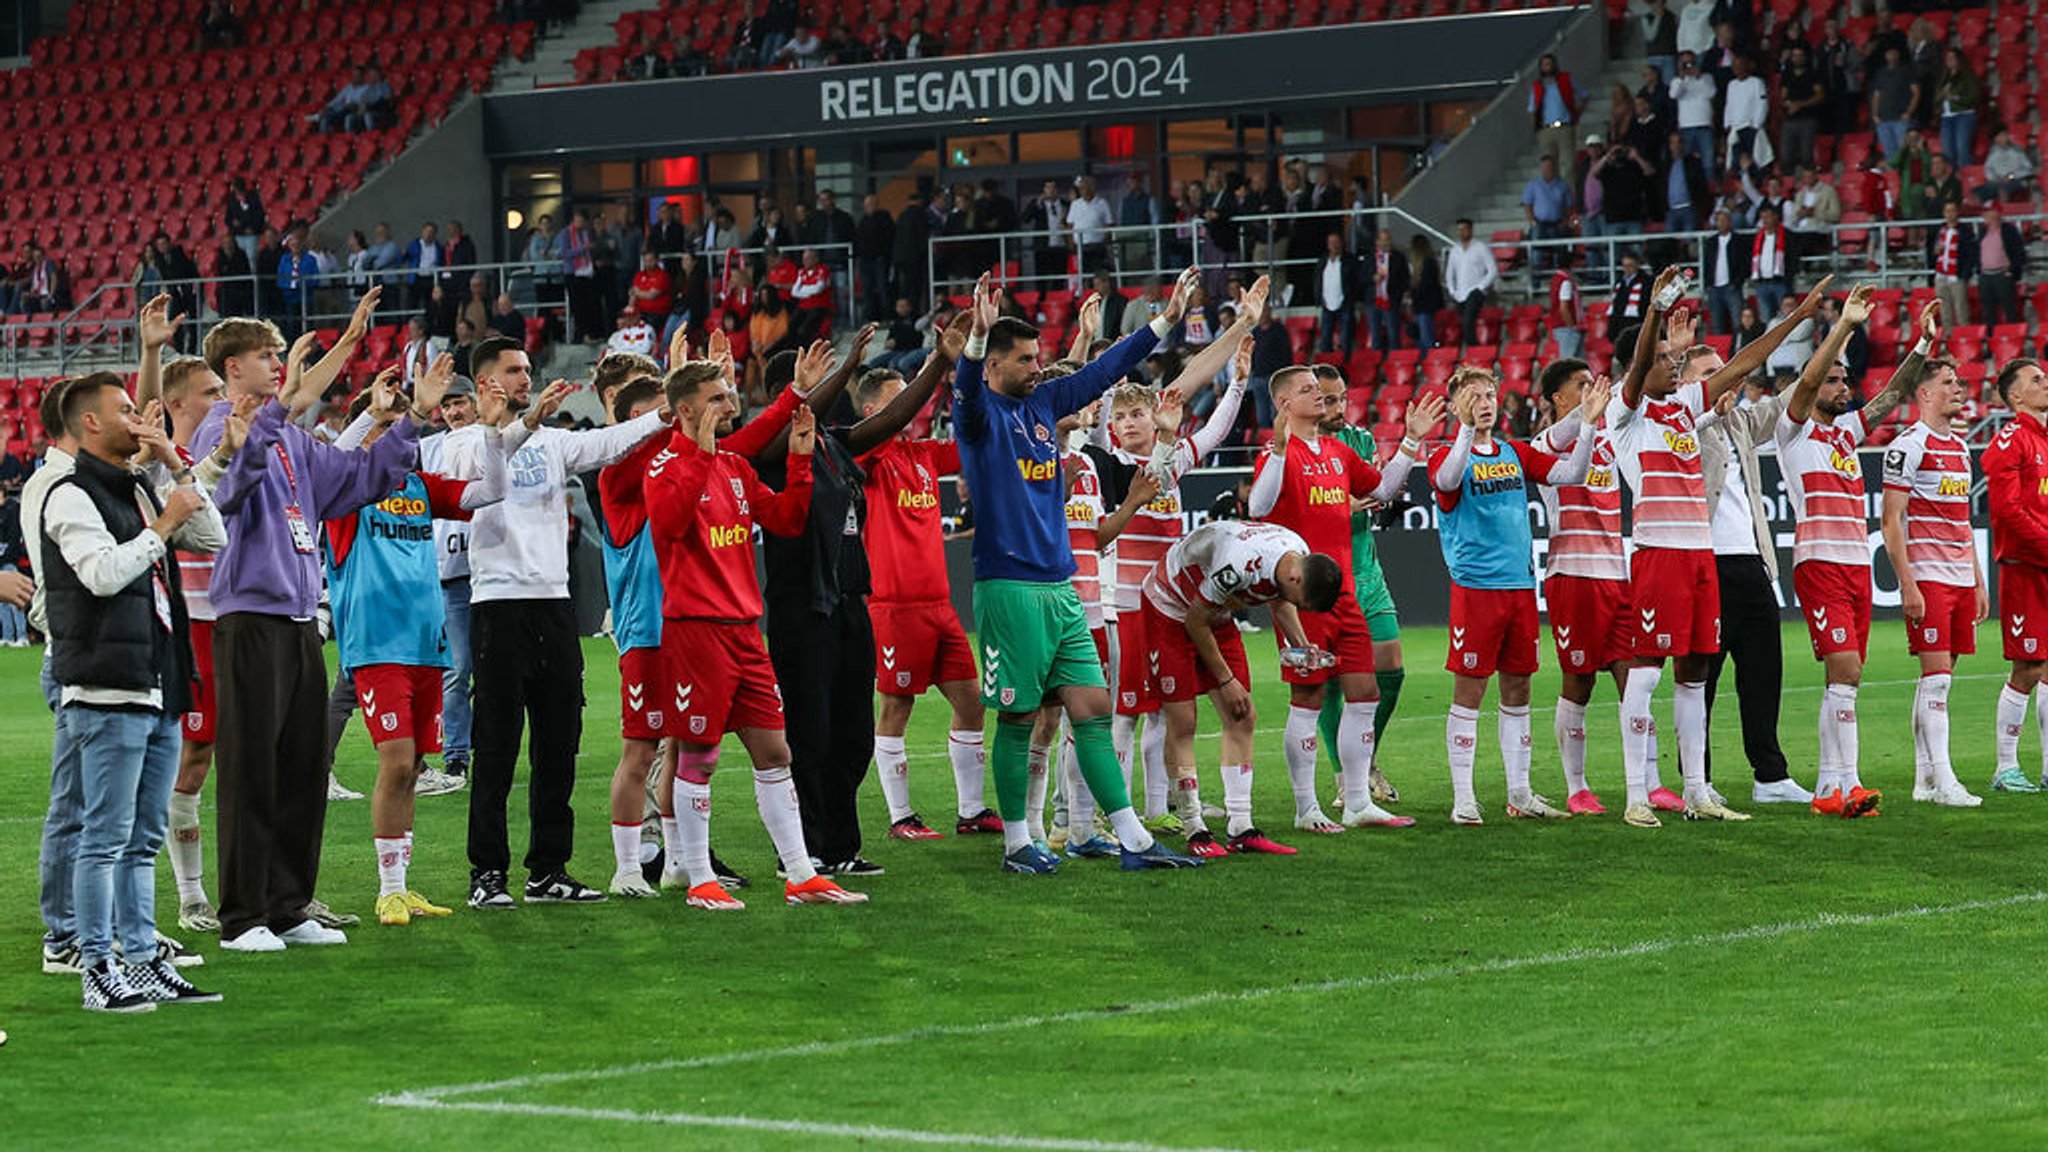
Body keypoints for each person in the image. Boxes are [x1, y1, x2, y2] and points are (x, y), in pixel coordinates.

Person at [194, 307, 434, 953]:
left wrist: (408, 421)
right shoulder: (219, 427)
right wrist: (277, 410)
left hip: (302, 621)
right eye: (267, 357)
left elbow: (358, 480)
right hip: (249, 617)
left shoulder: (297, 442)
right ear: (232, 366)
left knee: (301, 770)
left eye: (280, 356)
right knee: (250, 772)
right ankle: (242, 916)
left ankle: (288, 905)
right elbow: (224, 497)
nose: (278, 366)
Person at [952, 266, 1205, 873]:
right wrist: (975, 340)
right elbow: (963, 388)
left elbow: (1101, 371)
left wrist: (1165, 320)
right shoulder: (980, 414)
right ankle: (1018, 842)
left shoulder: (1044, 402)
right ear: (994, 365)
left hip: (1062, 587)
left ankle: (1134, 842)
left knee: (1091, 707)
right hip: (1009, 588)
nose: (1037, 366)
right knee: (1017, 718)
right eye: (1023, 359)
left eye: (1039, 356)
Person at [441, 336, 673, 909]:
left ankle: (549, 870)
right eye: (514, 370)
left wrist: (667, 414)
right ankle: (487, 875)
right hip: (496, 604)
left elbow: (607, 442)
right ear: (488, 382)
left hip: (554, 603)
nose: (527, 377)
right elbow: (480, 487)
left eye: (526, 369)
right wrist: (516, 426)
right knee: (496, 748)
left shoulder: (553, 442)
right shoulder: (462, 443)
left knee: (557, 746)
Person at [644, 357, 868, 908]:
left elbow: (788, 520)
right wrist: (698, 452)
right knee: (699, 756)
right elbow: (669, 527)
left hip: (746, 632)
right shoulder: (663, 466)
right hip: (696, 631)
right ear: (687, 410)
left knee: (775, 751)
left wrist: (797, 463)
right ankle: (697, 877)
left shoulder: (736, 469)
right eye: (719, 398)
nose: (730, 404)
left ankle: (799, 874)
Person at [1605, 267, 1825, 826]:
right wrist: (1656, 309)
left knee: (1696, 672)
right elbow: (1637, 372)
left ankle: (1699, 792)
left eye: (1673, 361)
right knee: (1647, 672)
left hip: (1700, 555)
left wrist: (1795, 320)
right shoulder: (1624, 413)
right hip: (1658, 553)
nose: (1672, 365)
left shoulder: (1684, 408)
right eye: (1662, 359)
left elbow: (1744, 364)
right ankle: (1637, 793)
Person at [40, 372, 226, 1010]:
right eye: (124, 409)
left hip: (157, 681)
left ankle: (143, 960)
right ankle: (98, 969)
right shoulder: (67, 495)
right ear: (91, 422)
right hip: (104, 684)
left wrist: (175, 468)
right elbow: (100, 575)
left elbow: (214, 538)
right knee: (104, 836)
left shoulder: (139, 487)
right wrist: (161, 526)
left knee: (143, 837)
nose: (138, 416)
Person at [324, 368, 508, 925]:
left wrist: (496, 436)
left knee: (412, 768)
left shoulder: (419, 486)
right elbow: (333, 458)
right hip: (376, 647)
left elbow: (490, 492)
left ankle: (402, 886)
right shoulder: (345, 495)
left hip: (426, 647)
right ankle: (386, 889)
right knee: (397, 762)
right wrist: (373, 418)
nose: (402, 438)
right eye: (389, 428)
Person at [1091, 297, 1267, 851]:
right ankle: (1111, 814)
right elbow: (1111, 435)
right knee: (1124, 715)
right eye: (1119, 417)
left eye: (1135, 415)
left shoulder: (1173, 461)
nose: (1127, 424)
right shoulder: (1113, 469)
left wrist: (1238, 382)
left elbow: (1215, 430)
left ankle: (1155, 807)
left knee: (1167, 719)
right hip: (1127, 606)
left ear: (1154, 417)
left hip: (1169, 606)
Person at [1252, 364, 1437, 831]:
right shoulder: (1277, 453)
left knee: (1364, 694)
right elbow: (1257, 507)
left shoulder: (1338, 451)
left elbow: (1384, 489)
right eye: (1307, 390)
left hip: (1347, 595)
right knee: (1308, 697)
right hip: (1303, 598)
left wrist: (1411, 442)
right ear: (1283, 404)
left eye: (1321, 389)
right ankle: (1305, 808)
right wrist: (1276, 449)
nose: (1319, 395)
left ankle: (1357, 802)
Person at [1430, 365, 1598, 823]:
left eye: (1488, 394)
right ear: (1457, 407)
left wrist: (1586, 427)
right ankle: (1464, 797)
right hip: (1475, 589)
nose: (1484, 402)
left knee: (1519, 687)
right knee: (1470, 689)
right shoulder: (1446, 457)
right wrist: (1464, 429)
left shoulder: (1515, 452)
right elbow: (1446, 482)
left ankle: (1520, 793)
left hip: (1520, 588)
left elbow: (1572, 473)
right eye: (1473, 397)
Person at [857, 319, 1002, 841]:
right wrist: (935, 364)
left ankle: (970, 811)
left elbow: (974, 435)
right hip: (893, 607)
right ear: (874, 411)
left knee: (969, 701)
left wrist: (975, 365)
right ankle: (901, 817)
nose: (909, 413)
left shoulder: (921, 457)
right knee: (897, 705)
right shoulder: (865, 456)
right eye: (898, 403)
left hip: (939, 606)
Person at [1143, 517, 1344, 857]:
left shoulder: (1298, 555)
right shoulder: (1239, 563)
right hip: (1170, 606)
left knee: (1242, 715)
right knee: (1183, 720)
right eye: (1303, 602)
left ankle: (1241, 827)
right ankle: (1194, 828)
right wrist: (1225, 679)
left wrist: (1302, 643)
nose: (1300, 607)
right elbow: (1194, 619)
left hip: (1215, 612)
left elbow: (1280, 600)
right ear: (1297, 577)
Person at [1774, 284, 1893, 818]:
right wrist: (1842, 325)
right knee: (1844, 669)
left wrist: (1917, 350)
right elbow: (1805, 383)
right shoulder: (1793, 428)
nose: (1844, 388)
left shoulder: (1846, 433)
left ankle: (1830, 788)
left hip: (1855, 564)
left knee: (1846, 680)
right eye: (1834, 380)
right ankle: (1848, 782)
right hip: (1819, 562)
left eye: (1846, 380)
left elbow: (1890, 399)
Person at [1880, 352, 1987, 806]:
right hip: (1929, 576)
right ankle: (1945, 781)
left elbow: (1963, 522)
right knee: (1937, 679)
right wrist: (1907, 582)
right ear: (1924, 393)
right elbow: (1891, 520)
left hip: (1960, 576)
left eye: (1959, 381)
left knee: (1938, 680)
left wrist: (1978, 580)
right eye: (1948, 382)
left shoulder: (1960, 448)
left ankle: (1925, 778)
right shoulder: (1909, 445)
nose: (1958, 388)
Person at [1532, 359, 1632, 813]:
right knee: (1580, 681)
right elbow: (1565, 433)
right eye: (1582, 385)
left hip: (1618, 573)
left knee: (1636, 680)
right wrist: (1589, 413)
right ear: (1559, 398)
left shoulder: (1607, 437)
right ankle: (1577, 788)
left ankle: (1646, 783)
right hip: (1573, 575)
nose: (1593, 391)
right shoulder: (1545, 444)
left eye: (1593, 383)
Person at [1309, 365, 1408, 807]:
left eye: (1340, 398)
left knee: (1391, 665)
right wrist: (1341, 505)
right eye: (1326, 399)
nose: (1335, 408)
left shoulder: (1361, 440)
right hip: (1321, 573)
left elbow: (1376, 493)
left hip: (1366, 568)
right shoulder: (1297, 448)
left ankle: (1364, 760)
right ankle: (1341, 773)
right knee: (1329, 678)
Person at [1982, 359, 2048, 794]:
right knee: (2028, 666)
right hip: (2026, 567)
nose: (2046, 383)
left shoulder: (2045, 440)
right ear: (2015, 396)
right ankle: (2005, 768)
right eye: (2036, 380)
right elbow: (2008, 511)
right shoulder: (2012, 439)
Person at [1444, 219, 1496, 346]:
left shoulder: (1481, 247)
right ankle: (1472, 348)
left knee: (1468, 321)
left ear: (1471, 230)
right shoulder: (1455, 249)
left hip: (1476, 291)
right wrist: (1452, 290)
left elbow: (1493, 270)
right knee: (1465, 323)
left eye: (1465, 229)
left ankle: (1473, 348)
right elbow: (1449, 272)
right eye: (1460, 230)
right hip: (1460, 293)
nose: (1462, 232)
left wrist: (1481, 287)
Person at [1974, 205, 2026, 329]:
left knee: (2009, 310)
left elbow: (2018, 252)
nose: (1985, 216)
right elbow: (1975, 252)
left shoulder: (2009, 231)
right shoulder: (1982, 232)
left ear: (1997, 214)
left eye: (1988, 213)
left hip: (2002, 275)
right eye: (1984, 213)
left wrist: (2012, 270)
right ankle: (1992, 342)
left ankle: (2012, 338)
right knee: (1988, 313)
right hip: (1986, 276)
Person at [1529, 53, 1580, 174]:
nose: (1548, 67)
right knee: (1550, 167)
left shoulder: (1565, 79)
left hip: (1564, 126)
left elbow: (1584, 95)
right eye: (1545, 65)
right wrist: (1536, 127)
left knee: (1568, 167)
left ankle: (1568, 192)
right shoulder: (1537, 86)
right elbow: (1532, 108)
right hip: (1546, 129)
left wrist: (1577, 114)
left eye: (1550, 64)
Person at [1927, 201, 1975, 327]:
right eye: (1947, 211)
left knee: (1961, 309)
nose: (1949, 214)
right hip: (1941, 274)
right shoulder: (1940, 229)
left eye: (1952, 211)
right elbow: (1932, 251)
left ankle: (1963, 336)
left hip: (1957, 275)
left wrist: (1964, 274)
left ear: (1957, 212)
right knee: (1944, 311)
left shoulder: (1965, 231)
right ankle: (1948, 338)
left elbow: (1970, 254)